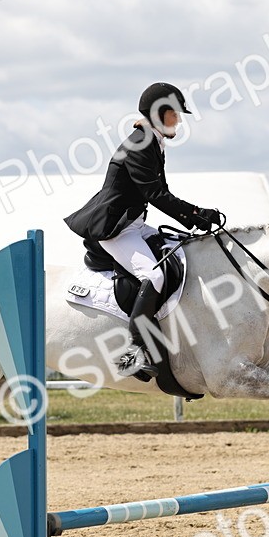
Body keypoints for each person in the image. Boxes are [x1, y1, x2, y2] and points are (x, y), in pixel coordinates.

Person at [64, 82, 222, 381]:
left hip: (134, 223)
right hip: (115, 228)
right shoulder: (140, 143)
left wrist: (194, 216)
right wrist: (194, 213)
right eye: (175, 113)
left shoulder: (151, 140)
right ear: (159, 113)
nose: (178, 119)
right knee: (155, 275)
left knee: (183, 251)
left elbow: (158, 192)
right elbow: (155, 194)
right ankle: (134, 351)